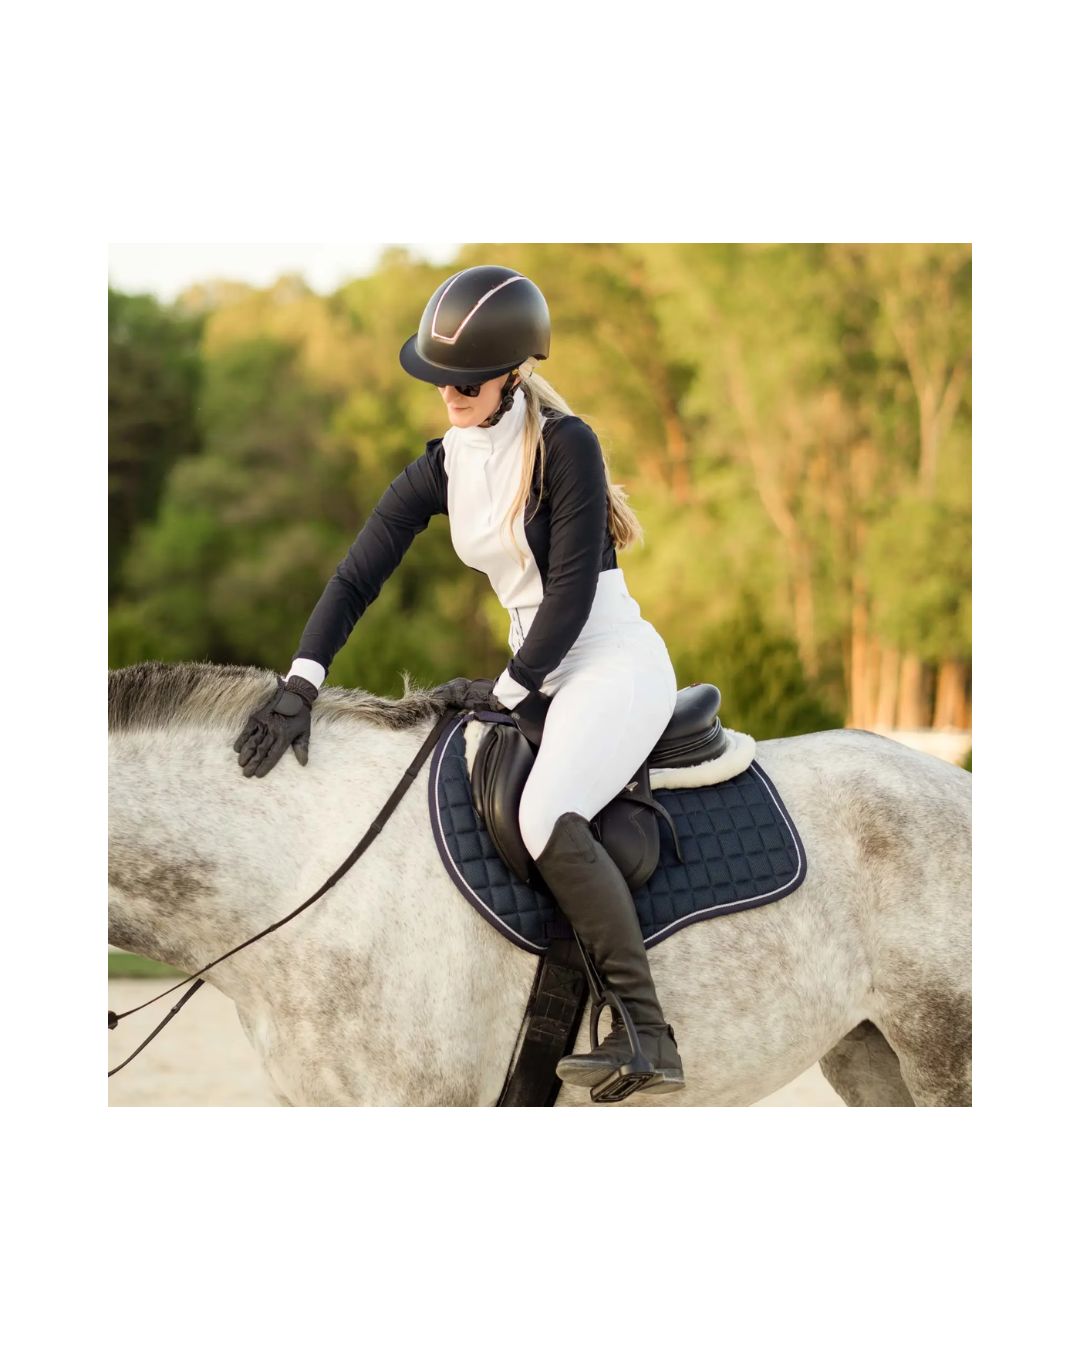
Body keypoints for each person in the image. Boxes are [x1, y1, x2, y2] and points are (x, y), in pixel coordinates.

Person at [233, 264, 684, 1097]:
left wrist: (512, 687)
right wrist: (302, 679)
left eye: (465, 381)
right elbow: (357, 574)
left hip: (608, 659)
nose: (448, 392)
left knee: (546, 810)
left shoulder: (566, 446)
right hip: (536, 666)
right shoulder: (445, 462)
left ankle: (647, 1033)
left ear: (514, 373)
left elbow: (575, 592)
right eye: (438, 378)